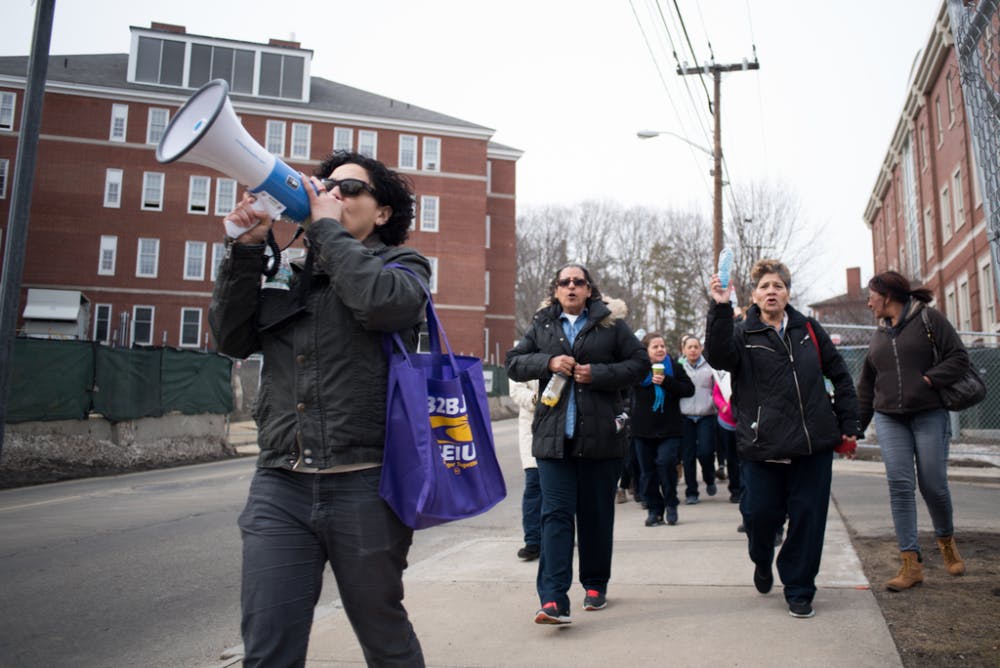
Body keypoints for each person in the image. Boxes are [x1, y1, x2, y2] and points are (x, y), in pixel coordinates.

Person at [209, 151, 428, 666]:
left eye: (350, 189)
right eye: (327, 185)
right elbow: (232, 337)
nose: (333, 194)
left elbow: (380, 305)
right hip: (280, 484)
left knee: (385, 639)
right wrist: (246, 249)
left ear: (382, 213)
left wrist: (325, 231)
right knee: (268, 646)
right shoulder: (289, 270)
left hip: (366, 484)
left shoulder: (402, 266)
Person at [704, 258, 862, 619]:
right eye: (764, 286)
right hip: (763, 445)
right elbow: (718, 355)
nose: (771, 291)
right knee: (760, 515)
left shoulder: (809, 329)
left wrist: (848, 423)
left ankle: (799, 586)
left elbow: (840, 375)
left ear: (787, 291)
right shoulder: (742, 332)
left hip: (812, 444)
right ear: (754, 296)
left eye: (778, 285)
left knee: (808, 518)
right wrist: (720, 306)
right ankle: (762, 558)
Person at [505, 263, 648, 625]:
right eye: (564, 282)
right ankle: (553, 599)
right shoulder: (542, 325)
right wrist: (548, 361)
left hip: (600, 441)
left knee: (596, 516)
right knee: (554, 517)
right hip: (554, 442)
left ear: (589, 290)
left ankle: (595, 583)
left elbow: (640, 364)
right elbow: (514, 364)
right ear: (556, 290)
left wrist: (597, 373)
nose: (571, 287)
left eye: (578, 282)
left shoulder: (610, 325)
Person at [856, 270, 969, 591]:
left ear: (888, 296)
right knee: (900, 485)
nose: (868, 302)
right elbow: (866, 385)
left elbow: (959, 357)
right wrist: (855, 428)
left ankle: (946, 542)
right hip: (889, 418)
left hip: (929, 413)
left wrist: (930, 380)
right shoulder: (878, 333)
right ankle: (911, 564)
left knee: (933, 484)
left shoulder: (929, 319)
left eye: (872, 296)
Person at [631, 332, 694, 526]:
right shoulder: (638, 370)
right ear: (646, 351)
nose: (660, 349)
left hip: (670, 428)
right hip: (643, 429)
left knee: (666, 465)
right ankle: (654, 510)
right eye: (655, 346)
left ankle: (671, 504)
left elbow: (688, 390)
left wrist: (667, 381)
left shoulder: (674, 367)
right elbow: (622, 390)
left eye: (662, 346)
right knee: (647, 473)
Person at [679, 335, 718, 504]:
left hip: (706, 415)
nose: (693, 350)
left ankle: (709, 478)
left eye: (696, 347)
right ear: (683, 350)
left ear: (701, 349)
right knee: (687, 456)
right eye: (690, 347)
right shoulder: (678, 367)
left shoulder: (710, 367)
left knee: (706, 452)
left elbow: (719, 389)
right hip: (685, 416)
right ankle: (691, 491)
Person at [509, 378, 542, 561]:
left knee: (561, 487)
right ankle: (533, 541)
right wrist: (539, 399)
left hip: (560, 425)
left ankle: (562, 534)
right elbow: (516, 390)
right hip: (533, 428)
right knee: (534, 486)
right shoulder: (522, 351)